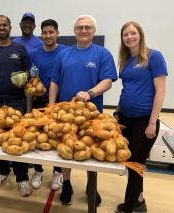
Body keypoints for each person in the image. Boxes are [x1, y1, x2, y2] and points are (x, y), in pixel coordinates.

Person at [49, 15, 118, 205]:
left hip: (92, 115)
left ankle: (91, 186)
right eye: (80, 27)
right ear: (74, 31)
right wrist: (52, 106)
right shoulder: (63, 54)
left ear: (94, 31)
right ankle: (68, 184)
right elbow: (54, 81)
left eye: (88, 27)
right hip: (65, 114)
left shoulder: (102, 54)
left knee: (92, 149)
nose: (84, 30)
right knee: (66, 147)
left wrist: (90, 92)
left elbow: (108, 81)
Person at [115, 21, 167, 213]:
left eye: (132, 33)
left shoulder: (154, 57)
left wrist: (152, 122)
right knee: (130, 162)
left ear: (140, 35)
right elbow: (126, 89)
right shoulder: (126, 60)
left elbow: (160, 91)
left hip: (145, 120)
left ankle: (129, 207)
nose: (129, 37)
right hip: (125, 119)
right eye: (125, 34)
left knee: (135, 164)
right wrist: (117, 113)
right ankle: (139, 200)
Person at [0, 15, 31, 197]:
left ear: (10, 27)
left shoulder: (19, 48)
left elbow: (27, 71)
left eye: (4, 25)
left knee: (17, 138)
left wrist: (25, 78)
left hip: (16, 101)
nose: (1, 27)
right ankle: (2, 172)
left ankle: (22, 177)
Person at [28, 19, 67, 190]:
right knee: (38, 137)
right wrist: (32, 76)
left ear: (57, 33)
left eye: (51, 32)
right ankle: (38, 171)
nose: (48, 35)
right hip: (40, 101)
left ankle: (58, 173)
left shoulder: (66, 52)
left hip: (61, 102)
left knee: (57, 138)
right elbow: (30, 81)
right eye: (45, 32)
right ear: (41, 34)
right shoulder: (34, 54)